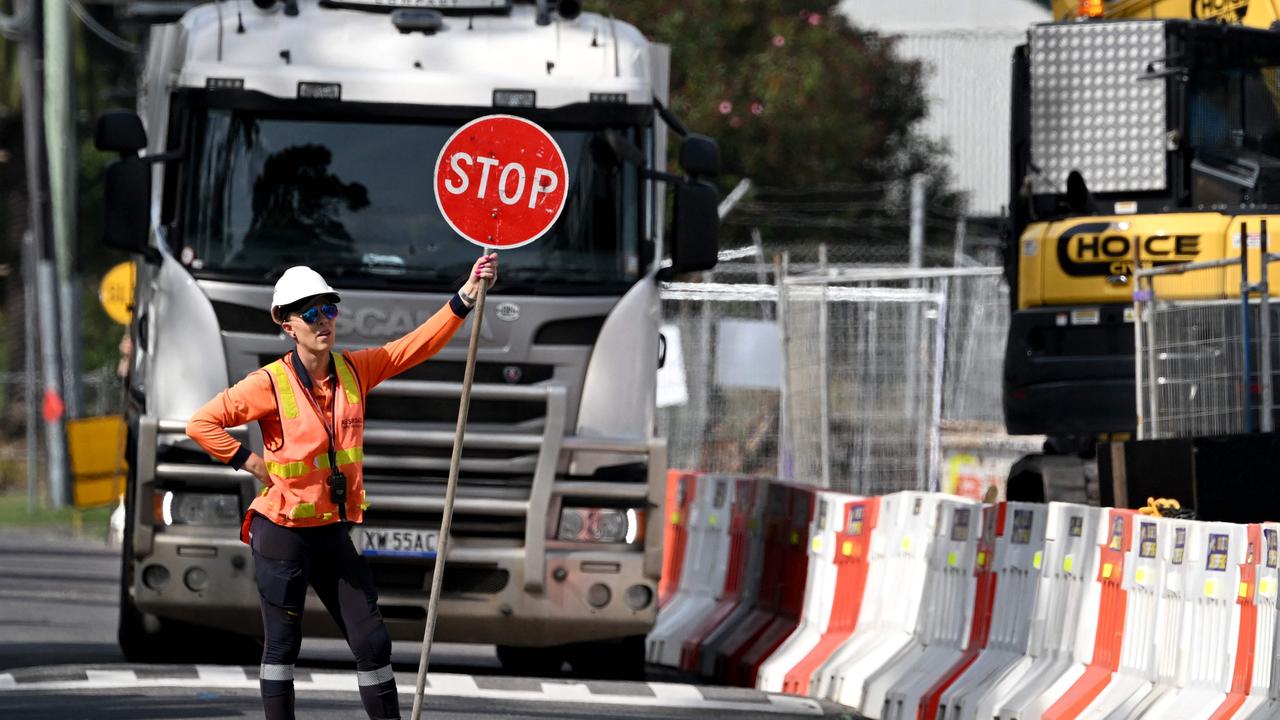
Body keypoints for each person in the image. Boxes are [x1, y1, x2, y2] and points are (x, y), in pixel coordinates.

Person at [186, 254, 497, 720]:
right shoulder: (268, 383)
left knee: (372, 641)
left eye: (329, 309)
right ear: (288, 325)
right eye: (310, 313)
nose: (323, 321)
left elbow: (413, 347)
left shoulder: (355, 370)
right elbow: (201, 423)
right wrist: (251, 462)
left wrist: (467, 296)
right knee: (284, 647)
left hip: (331, 530)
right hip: (281, 531)